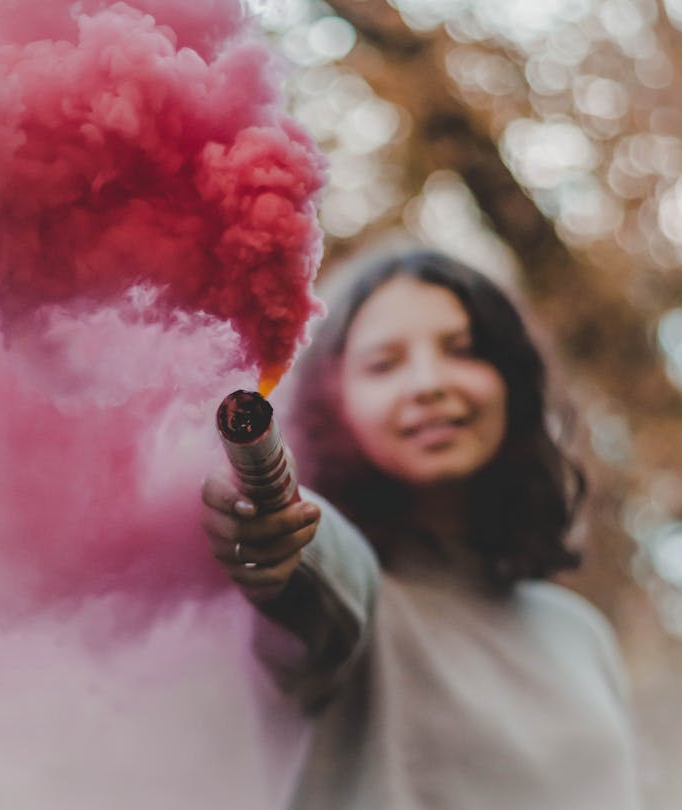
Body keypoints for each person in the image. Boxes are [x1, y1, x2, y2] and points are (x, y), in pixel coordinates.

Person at [201, 248, 644, 810]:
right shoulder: (349, 614)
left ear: (512, 378)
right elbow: (314, 560)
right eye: (384, 364)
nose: (429, 383)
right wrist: (267, 510)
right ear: (329, 404)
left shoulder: (579, 633)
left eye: (463, 351)